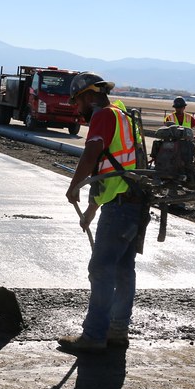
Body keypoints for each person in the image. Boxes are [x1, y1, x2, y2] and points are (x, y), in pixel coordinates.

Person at [60, 72, 148, 353]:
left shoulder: (103, 116)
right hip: (134, 204)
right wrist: (91, 209)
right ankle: (118, 331)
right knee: (123, 270)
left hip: (120, 208)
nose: (77, 108)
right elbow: (113, 170)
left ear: (88, 95)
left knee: (100, 270)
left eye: (77, 101)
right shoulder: (125, 117)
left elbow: (92, 154)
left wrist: (74, 186)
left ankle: (94, 335)